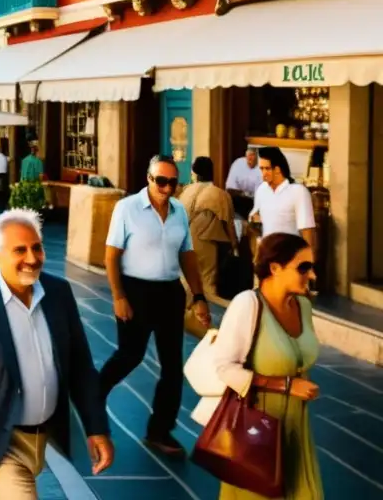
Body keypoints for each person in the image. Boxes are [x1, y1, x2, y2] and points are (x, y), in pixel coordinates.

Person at [0, 210, 113, 497]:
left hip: (46, 435)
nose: (32, 258)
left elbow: (81, 367)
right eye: (20, 250)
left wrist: (96, 427)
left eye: (36, 247)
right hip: (1, 440)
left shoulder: (59, 292)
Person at [100, 155, 211, 457]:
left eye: (172, 182)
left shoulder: (178, 211)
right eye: (160, 181)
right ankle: (90, 398)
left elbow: (187, 254)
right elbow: (111, 255)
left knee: (173, 366)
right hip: (135, 290)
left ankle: (159, 431)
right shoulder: (127, 208)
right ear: (148, 179)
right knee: (129, 356)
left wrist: (199, 297)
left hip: (170, 293)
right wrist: (119, 296)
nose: (166, 187)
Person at [206, 233, 323, 499]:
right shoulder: (248, 304)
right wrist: (287, 385)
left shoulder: (303, 306)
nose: (312, 275)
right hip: (258, 428)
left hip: (296, 426)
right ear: (275, 268)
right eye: (303, 267)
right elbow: (224, 366)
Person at [178, 156, 239, 307]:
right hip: (204, 243)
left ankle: (185, 317)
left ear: (195, 174)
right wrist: (235, 246)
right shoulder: (220, 194)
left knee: (186, 280)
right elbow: (229, 225)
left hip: (182, 240)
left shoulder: (185, 191)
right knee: (207, 282)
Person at [251, 147, 317, 251]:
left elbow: (307, 231)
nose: (263, 174)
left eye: (267, 169)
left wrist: (309, 263)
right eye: (261, 169)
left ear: (277, 169)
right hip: (267, 254)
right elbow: (255, 221)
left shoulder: (298, 192)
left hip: (290, 255)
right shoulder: (261, 190)